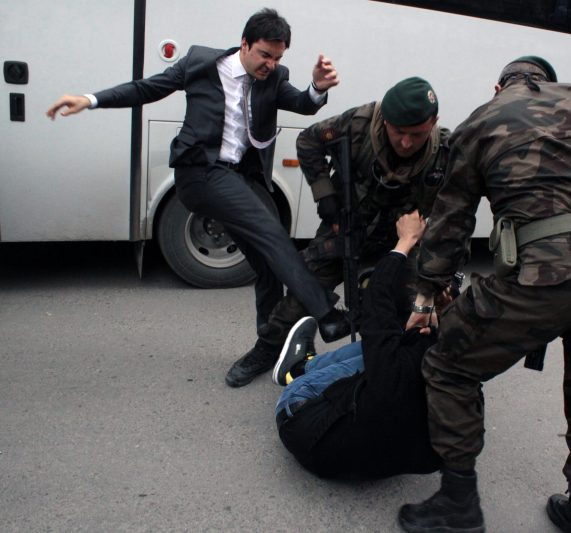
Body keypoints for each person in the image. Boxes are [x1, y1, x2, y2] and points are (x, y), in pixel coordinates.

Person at [397, 57, 571, 533]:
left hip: (544, 274)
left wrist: (428, 293)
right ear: (551, 83)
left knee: (447, 366)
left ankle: (458, 504)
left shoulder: (482, 118)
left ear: (498, 85)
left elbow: (452, 222)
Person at [46, 8, 351, 370]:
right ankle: (327, 313)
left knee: (268, 261)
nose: (270, 64)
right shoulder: (201, 64)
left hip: (242, 177)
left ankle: (267, 348)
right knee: (271, 231)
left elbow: (302, 104)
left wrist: (316, 87)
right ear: (245, 44)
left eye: (278, 57)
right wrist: (90, 99)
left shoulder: (274, 78)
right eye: (265, 55)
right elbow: (147, 88)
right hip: (199, 173)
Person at [224, 76, 451, 387]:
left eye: (418, 134)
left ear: (433, 122)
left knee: (411, 310)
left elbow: (454, 215)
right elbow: (308, 141)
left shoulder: (445, 151)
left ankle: (398, 370)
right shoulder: (359, 124)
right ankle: (266, 350)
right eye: (399, 132)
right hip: (345, 227)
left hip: (403, 243)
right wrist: (325, 196)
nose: (407, 143)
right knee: (302, 292)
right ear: (385, 119)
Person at [273, 210, 449, 479]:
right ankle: (305, 368)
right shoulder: (464, 382)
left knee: (369, 356)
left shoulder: (392, 362)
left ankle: (297, 371)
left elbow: (378, 294)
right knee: (379, 364)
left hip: (303, 433)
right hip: (378, 467)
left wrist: (406, 241)